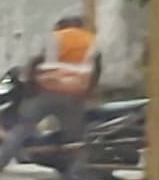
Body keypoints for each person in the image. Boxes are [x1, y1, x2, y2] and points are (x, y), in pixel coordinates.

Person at [21, 9, 103, 167]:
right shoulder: (89, 41)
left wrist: (29, 83)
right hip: (77, 95)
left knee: (26, 122)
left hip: (54, 93)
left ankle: (64, 161)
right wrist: (89, 89)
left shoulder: (57, 39)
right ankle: (73, 168)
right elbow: (97, 68)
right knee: (73, 137)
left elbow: (36, 61)